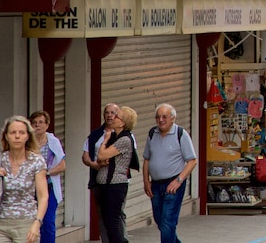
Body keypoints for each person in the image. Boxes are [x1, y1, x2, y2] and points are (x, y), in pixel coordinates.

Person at [0, 115, 49, 242]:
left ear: (27, 136)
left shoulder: (36, 161)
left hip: (26, 222)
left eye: (21, 132)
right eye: (13, 132)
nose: (17, 136)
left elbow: (43, 196)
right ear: (6, 136)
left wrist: (37, 223)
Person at [143, 103, 197, 243]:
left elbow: (192, 161)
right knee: (160, 220)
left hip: (173, 184)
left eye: (164, 117)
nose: (161, 120)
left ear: (173, 118)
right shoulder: (152, 133)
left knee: (168, 222)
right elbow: (146, 159)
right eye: (158, 117)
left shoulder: (181, 134)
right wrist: (146, 181)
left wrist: (179, 180)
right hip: (155, 185)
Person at [96, 107, 138, 243]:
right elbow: (100, 159)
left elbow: (102, 154)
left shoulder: (124, 139)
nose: (112, 117)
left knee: (113, 222)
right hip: (105, 185)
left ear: (123, 123)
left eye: (117, 116)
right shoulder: (115, 137)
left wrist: (104, 141)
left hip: (115, 185)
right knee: (107, 222)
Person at [83, 103, 121, 243]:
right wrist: (94, 164)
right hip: (98, 181)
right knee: (103, 215)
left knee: (116, 216)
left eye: (113, 112)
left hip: (117, 182)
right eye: (107, 112)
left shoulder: (123, 134)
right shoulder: (96, 134)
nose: (110, 115)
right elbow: (85, 155)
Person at [30, 111, 66, 243]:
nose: (37, 125)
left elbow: (62, 165)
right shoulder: (27, 142)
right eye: (34, 123)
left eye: (40, 122)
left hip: (49, 186)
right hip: (30, 188)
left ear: (47, 124)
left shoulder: (53, 141)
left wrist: (47, 173)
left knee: (48, 221)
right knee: (30, 221)